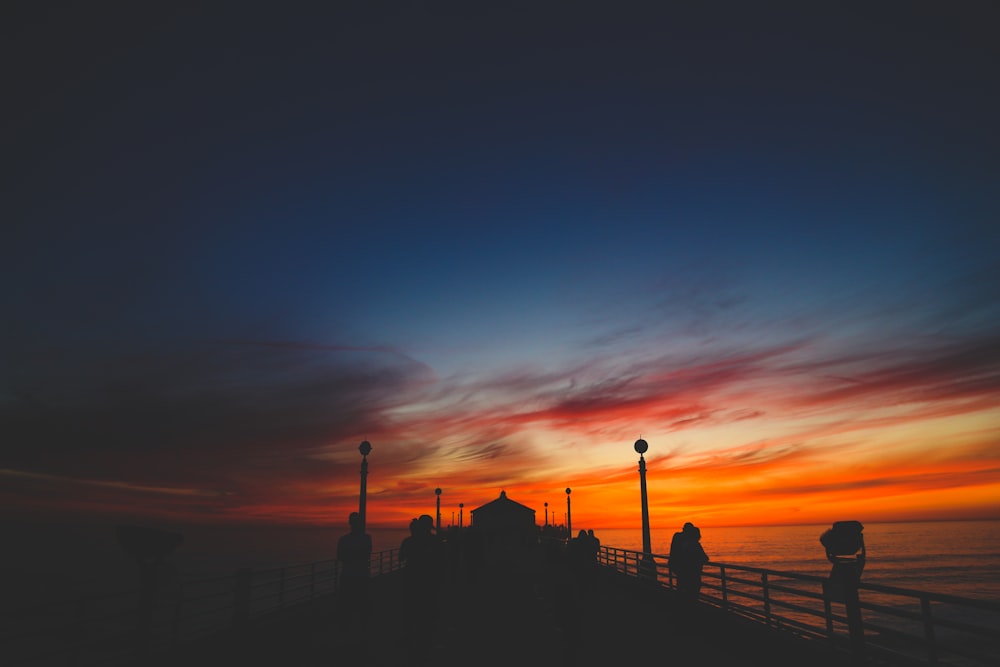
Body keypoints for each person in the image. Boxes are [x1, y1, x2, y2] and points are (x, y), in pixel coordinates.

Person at [398, 514, 442, 665]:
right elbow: (442, 561)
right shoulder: (436, 541)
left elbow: (401, 557)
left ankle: (411, 638)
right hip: (430, 582)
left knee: (411, 610)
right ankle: (426, 643)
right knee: (428, 613)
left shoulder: (409, 541)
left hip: (411, 580)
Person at [336, 512, 372, 637]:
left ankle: (347, 630)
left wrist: (351, 555)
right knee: (361, 603)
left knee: (348, 604)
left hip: (348, 574)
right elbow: (366, 555)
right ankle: (361, 630)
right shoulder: (366, 539)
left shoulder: (344, 540)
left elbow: (341, 557)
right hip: (361, 574)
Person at [669, 522, 709, 607]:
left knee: (682, 588)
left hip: (680, 569)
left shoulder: (680, 539)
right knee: (692, 592)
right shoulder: (694, 544)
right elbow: (705, 558)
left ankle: (681, 607)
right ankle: (689, 609)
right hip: (691, 572)